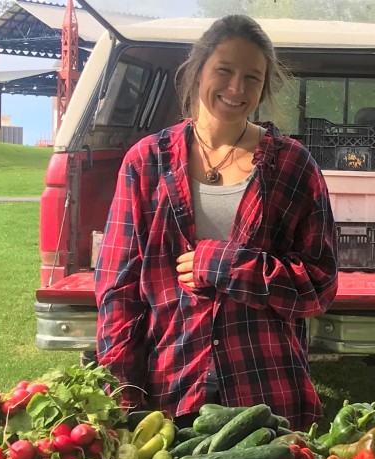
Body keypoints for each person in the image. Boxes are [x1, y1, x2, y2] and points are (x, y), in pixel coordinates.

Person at [94, 14, 338, 431]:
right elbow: (119, 293)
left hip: (268, 392)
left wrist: (226, 265)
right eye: (224, 71)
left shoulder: (293, 166)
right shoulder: (145, 162)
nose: (236, 88)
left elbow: (319, 287)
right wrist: (122, 395)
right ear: (198, 69)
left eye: (252, 78)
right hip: (170, 393)